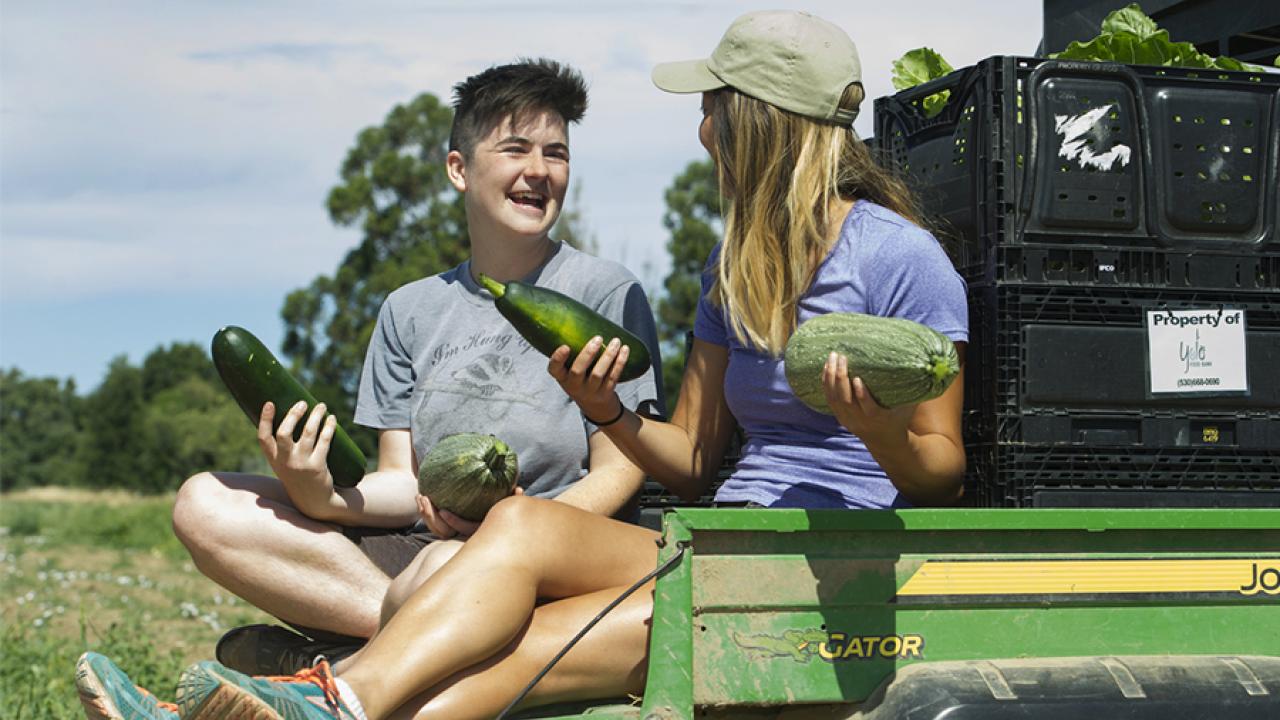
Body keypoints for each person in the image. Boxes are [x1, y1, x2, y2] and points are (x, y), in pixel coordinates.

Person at [76, 11, 967, 720]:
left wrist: (877, 425)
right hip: (716, 541)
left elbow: (940, 477)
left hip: (818, 565)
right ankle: (320, 701)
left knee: (507, 652)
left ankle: (324, 700)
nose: (702, 130)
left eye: (715, 108)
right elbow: (696, 459)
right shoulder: (734, 263)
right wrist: (611, 414)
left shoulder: (903, 260)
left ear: (762, 120)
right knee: (516, 532)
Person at [164, 58, 664, 676]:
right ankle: (420, 640)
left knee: (441, 566)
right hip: (428, 553)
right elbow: (403, 482)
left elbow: (622, 471)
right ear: (460, 168)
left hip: (545, 560)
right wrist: (315, 490)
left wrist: (513, 532)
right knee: (203, 504)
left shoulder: (604, 292)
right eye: (516, 149)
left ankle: (346, 669)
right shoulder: (409, 310)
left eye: (556, 154)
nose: (539, 171)